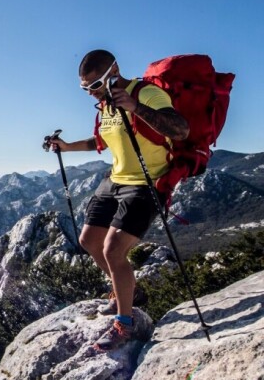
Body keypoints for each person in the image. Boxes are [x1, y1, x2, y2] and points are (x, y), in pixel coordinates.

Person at [48, 49, 188, 351]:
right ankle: (128, 292)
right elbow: (100, 141)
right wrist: (66, 146)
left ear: (114, 71)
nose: (90, 92)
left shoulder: (147, 93)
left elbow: (180, 129)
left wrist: (136, 107)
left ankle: (125, 323)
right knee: (88, 240)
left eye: (95, 84)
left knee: (113, 249)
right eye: (84, 88)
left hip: (146, 184)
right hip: (116, 180)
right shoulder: (106, 107)